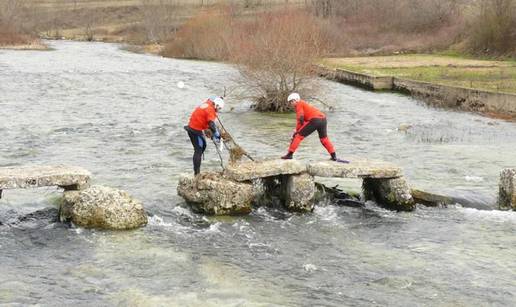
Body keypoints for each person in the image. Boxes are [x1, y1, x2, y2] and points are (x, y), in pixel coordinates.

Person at [281, 93, 337, 161]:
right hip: (323, 119)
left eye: (291, 101)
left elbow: (300, 118)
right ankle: (334, 156)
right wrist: (298, 129)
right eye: (290, 102)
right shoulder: (303, 103)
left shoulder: (299, 104)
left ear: (296, 100)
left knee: (297, 136)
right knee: (324, 139)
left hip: (315, 120)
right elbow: (304, 120)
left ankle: (289, 155)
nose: (291, 103)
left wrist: (296, 130)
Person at [184, 96, 224, 175]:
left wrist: (221, 98)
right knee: (198, 150)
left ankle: (197, 170)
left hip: (193, 126)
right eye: (219, 108)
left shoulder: (208, 103)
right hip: (194, 130)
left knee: (203, 146)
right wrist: (217, 135)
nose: (218, 110)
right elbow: (211, 124)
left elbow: (212, 98)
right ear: (216, 105)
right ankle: (197, 174)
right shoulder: (211, 110)